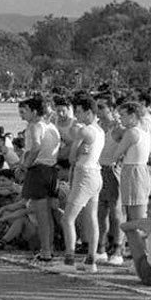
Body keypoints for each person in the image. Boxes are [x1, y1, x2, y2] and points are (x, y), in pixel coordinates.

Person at [61, 94, 104, 272]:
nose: (76, 115)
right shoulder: (99, 131)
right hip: (95, 174)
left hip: (84, 174)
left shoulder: (84, 130)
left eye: (78, 111)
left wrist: (75, 147)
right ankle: (90, 260)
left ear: (88, 112)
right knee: (91, 218)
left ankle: (69, 260)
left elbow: (71, 157)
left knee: (67, 218)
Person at [16, 97, 60, 263]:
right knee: (47, 214)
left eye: (24, 112)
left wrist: (25, 165)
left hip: (38, 170)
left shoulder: (35, 126)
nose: (21, 116)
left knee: (41, 214)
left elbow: (35, 147)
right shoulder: (51, 127)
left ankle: (46, 251)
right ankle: (49, 248)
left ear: (34, 111)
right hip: (51, 170)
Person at [112, 102, 151, 222]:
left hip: (133, 173)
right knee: (135, 214)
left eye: (123, 115)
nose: (120, 118)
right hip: (140, 172)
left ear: (132, 116)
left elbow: (115, 155)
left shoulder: (131, 133)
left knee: (135, 217)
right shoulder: (144, 132)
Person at [95, 95, 126, 265]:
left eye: (101, 107)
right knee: (101, 211)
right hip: (99, 170)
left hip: (113, 171)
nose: (97, 111)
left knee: (116, 212)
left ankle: (118, 248)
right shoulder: (97, 127)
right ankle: (101, 246)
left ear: (111, 109)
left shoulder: (120, 129)